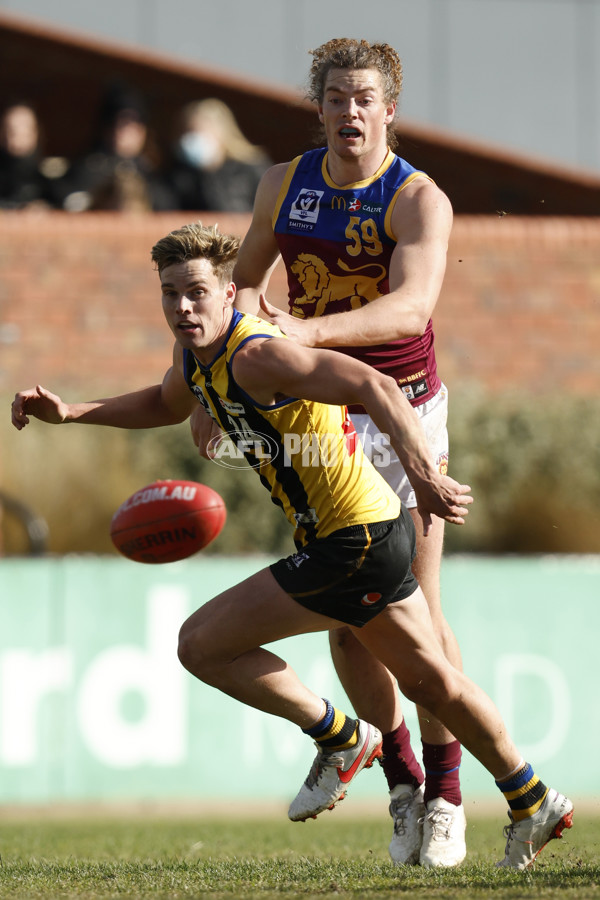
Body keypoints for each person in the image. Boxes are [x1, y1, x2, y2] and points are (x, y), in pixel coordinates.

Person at [11, 222, 573, 871]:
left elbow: (377, 386)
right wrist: (75, 412)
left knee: (200, 643)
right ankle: (533, 798)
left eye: (197, 291)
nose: (183, 307)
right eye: (170, 293)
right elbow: (169, 400)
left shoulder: (256, 355)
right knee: (432, 682)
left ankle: (340, 738)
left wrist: (423, 472)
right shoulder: (194, 356)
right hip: (368, 534)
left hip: (351, 542)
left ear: (229, 292)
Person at [191, 36, 468, 867]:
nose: (350, 111)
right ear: (319, 108)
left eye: (365, 99)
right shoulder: (285, 183)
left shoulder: (419, 199)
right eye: (336, 97)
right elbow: (237, 287)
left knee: (418, 609)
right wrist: (212, 385)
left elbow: (411, 311)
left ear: (390, 111)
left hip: (404, 413)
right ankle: (403, 781)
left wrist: (305, 329)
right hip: (320, 422)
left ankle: (449, 797)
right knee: (351, 627)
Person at [60, 84, 175, 212]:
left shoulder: (153, 175)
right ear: (106, 128)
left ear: (144, 130)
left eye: (131, 123)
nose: (122, 131)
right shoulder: (88, 169)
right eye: (118, 123)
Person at [165, 98, 271, 212]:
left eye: (197, 131)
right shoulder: (178, 174)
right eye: (186, 132)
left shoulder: (251, 167)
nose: (190, 139)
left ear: (221, 132)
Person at [0, 102, 60, 209]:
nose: (17, 135)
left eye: (24, 128)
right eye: (10, 129)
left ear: (35, 132)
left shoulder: (48, 176)